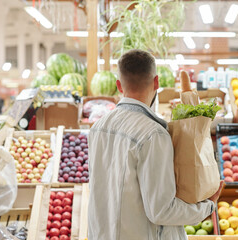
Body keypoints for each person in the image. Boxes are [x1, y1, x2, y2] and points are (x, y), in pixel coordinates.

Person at [88, 49, 223, 240]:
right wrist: (207, 206)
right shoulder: (153, 134)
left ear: (119, 85)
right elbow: (161, 211)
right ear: (157, 83)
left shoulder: (98, 128)